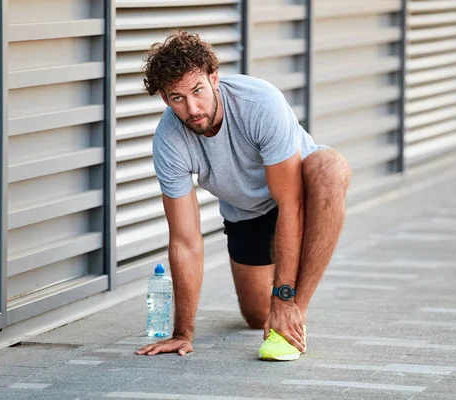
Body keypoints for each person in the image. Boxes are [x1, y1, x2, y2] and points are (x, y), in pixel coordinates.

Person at [135, 30, 351, 361]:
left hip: (297, 193)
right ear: (165, 99)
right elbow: (185, 241)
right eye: (178, 98)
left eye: (198, 91)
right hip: (245, 212)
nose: (192, 108)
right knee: (253, 316)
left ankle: (292, 321)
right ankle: (278, 309)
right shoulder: (169, 141)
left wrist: (284, 299)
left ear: (214, 79)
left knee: (330, 168)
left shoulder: (259, 102)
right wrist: (183, 332)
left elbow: (289, 204)